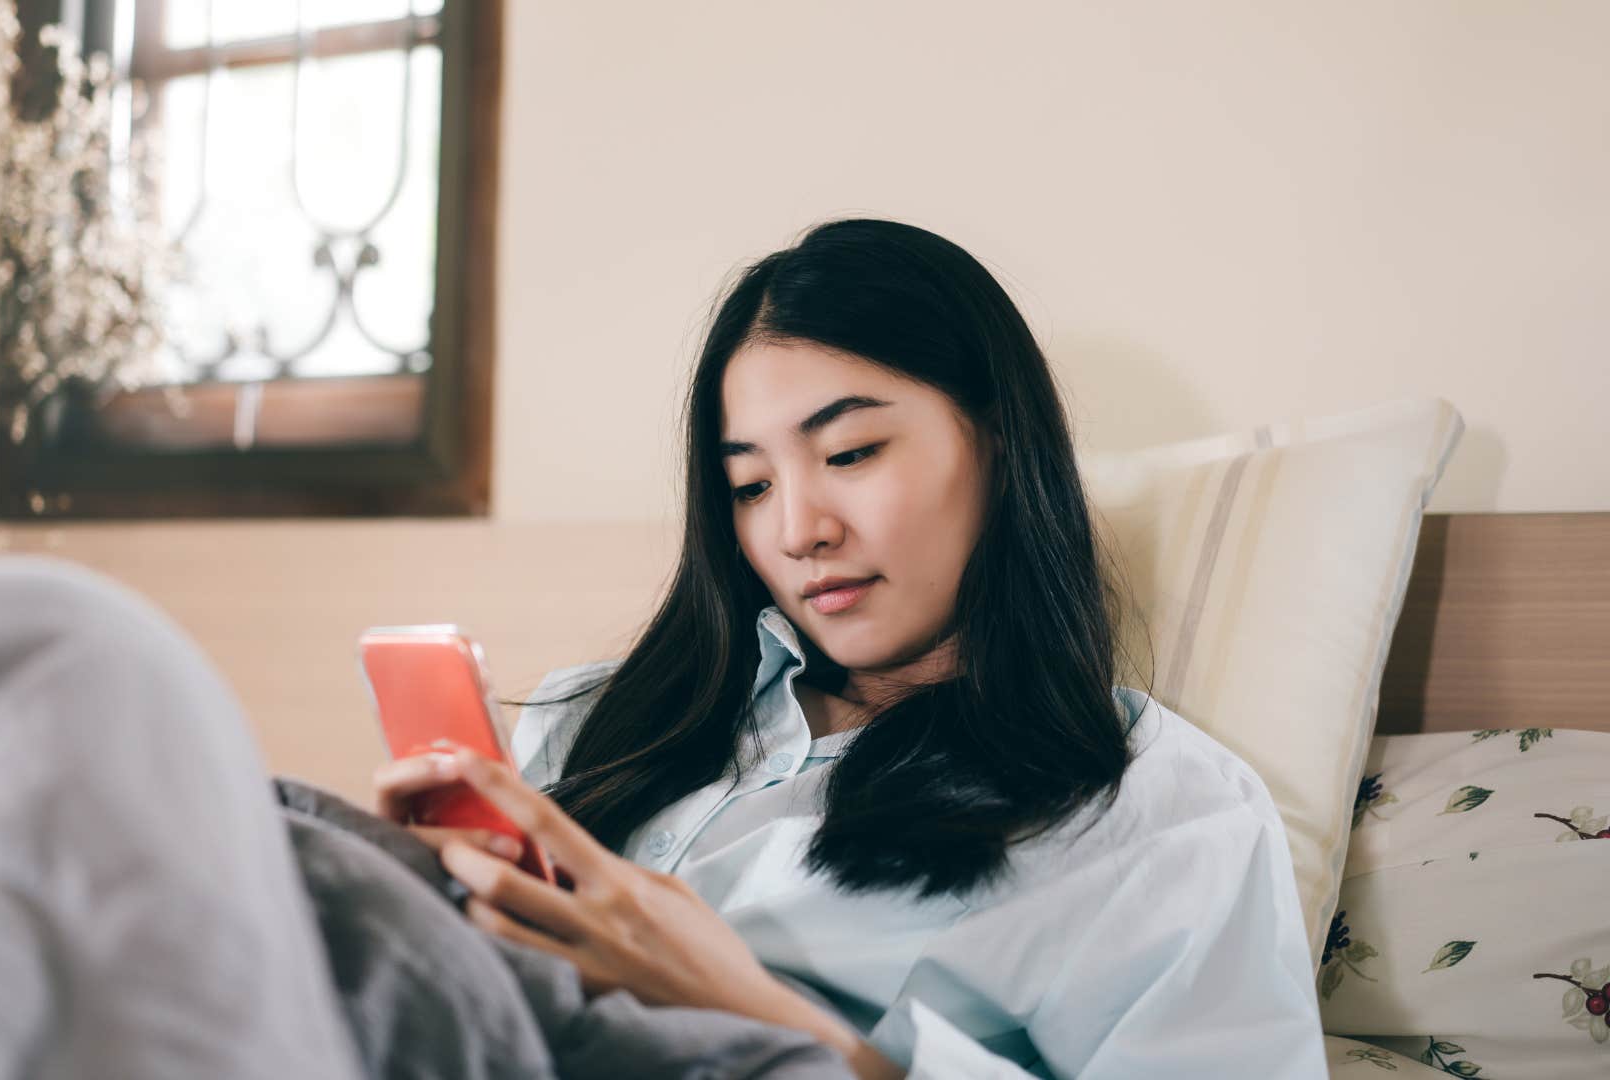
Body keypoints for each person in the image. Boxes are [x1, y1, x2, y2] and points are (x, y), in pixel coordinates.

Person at [374, 218, 1327, 1078]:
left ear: (997, 441)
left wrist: (742, 1013)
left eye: (850, 455)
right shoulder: (594, 719)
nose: (798, 530)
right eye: (748, 485)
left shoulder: (1154, 812)